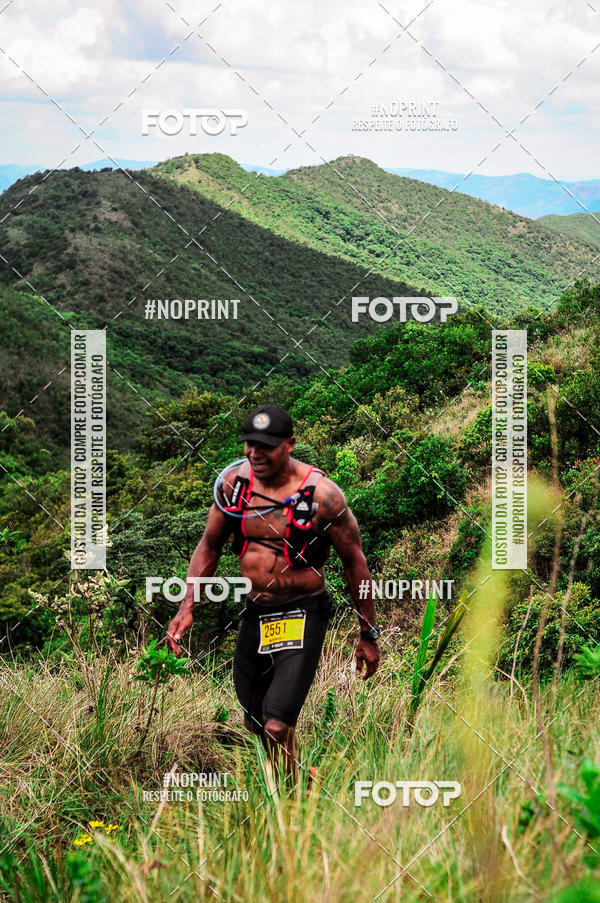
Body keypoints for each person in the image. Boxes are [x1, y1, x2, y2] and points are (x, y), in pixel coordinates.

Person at [166, 404, 380, 777]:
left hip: (304, 610)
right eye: (250, 444)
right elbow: (209, 547)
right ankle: (299, 777)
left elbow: (355, 564)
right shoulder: (234, 485)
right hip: (257, 611)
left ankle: (293, 801)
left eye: (265, 445)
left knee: (277, 724)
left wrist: (368, 633)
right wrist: (187, 607)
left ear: (290, 444)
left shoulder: (323, 497)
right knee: (254, 719)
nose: (255, 453)